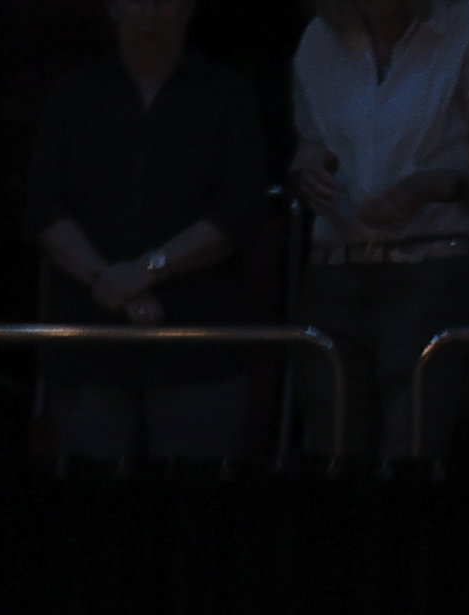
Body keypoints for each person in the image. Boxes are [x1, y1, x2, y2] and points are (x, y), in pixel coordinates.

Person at [29, 0, 279, 461]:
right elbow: (45, 208)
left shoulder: (227, 94)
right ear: (111, 9)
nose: (149, 12)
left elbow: (238, 211)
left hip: (198, 343)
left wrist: (147, 270)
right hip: (91, 343)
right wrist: (109, 280)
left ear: (187, 9)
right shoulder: (73, 95)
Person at [291, 0, 469, 453]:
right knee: (332, 443)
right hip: (336, 269)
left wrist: (434, 187)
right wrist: (309, 171)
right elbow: (309, 146)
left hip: (430, 268)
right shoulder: (319, 39)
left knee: (410, 441)